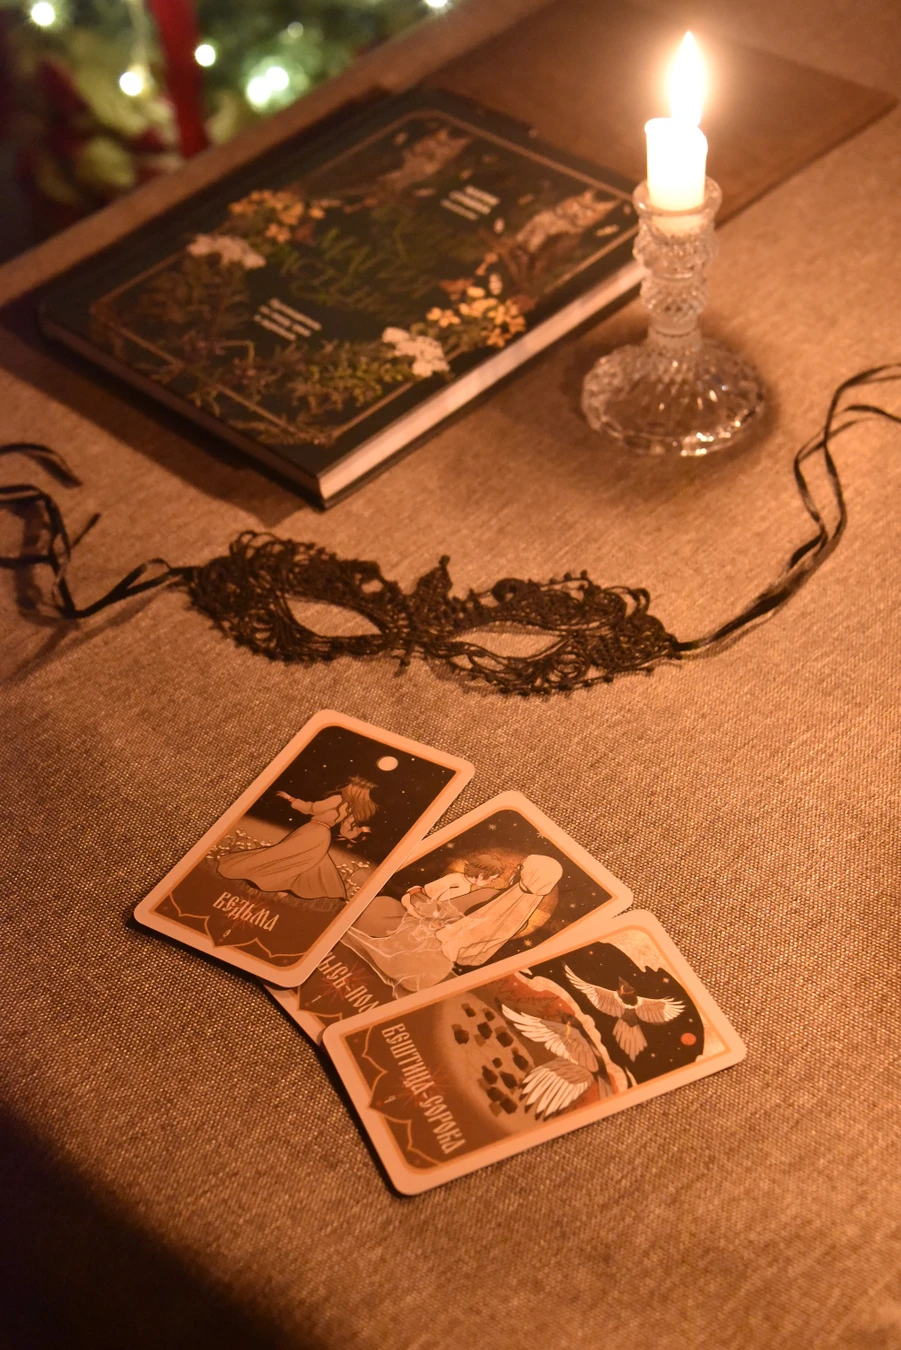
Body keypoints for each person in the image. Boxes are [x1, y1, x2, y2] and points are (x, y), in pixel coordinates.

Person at [342, 853, 562, 995]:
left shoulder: (487, 896)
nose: (514, 871)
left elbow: (434, 911)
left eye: (520, 868)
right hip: (435, 971)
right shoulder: (521, 921)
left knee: (383, 908)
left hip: (422, 951)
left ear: (526, 875)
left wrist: (415, 892)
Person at [216, 777, 376, 899]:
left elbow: (312, 809)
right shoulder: (352, 810)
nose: (346, 786)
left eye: (350, 785)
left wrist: (290, 798)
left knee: (283, 855)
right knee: (306, 862)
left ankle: (262, 878)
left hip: (311, 831)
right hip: (323, 836)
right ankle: (283, 887)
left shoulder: (337, 799)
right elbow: (347, 832)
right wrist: (360, 830)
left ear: (354, 788)